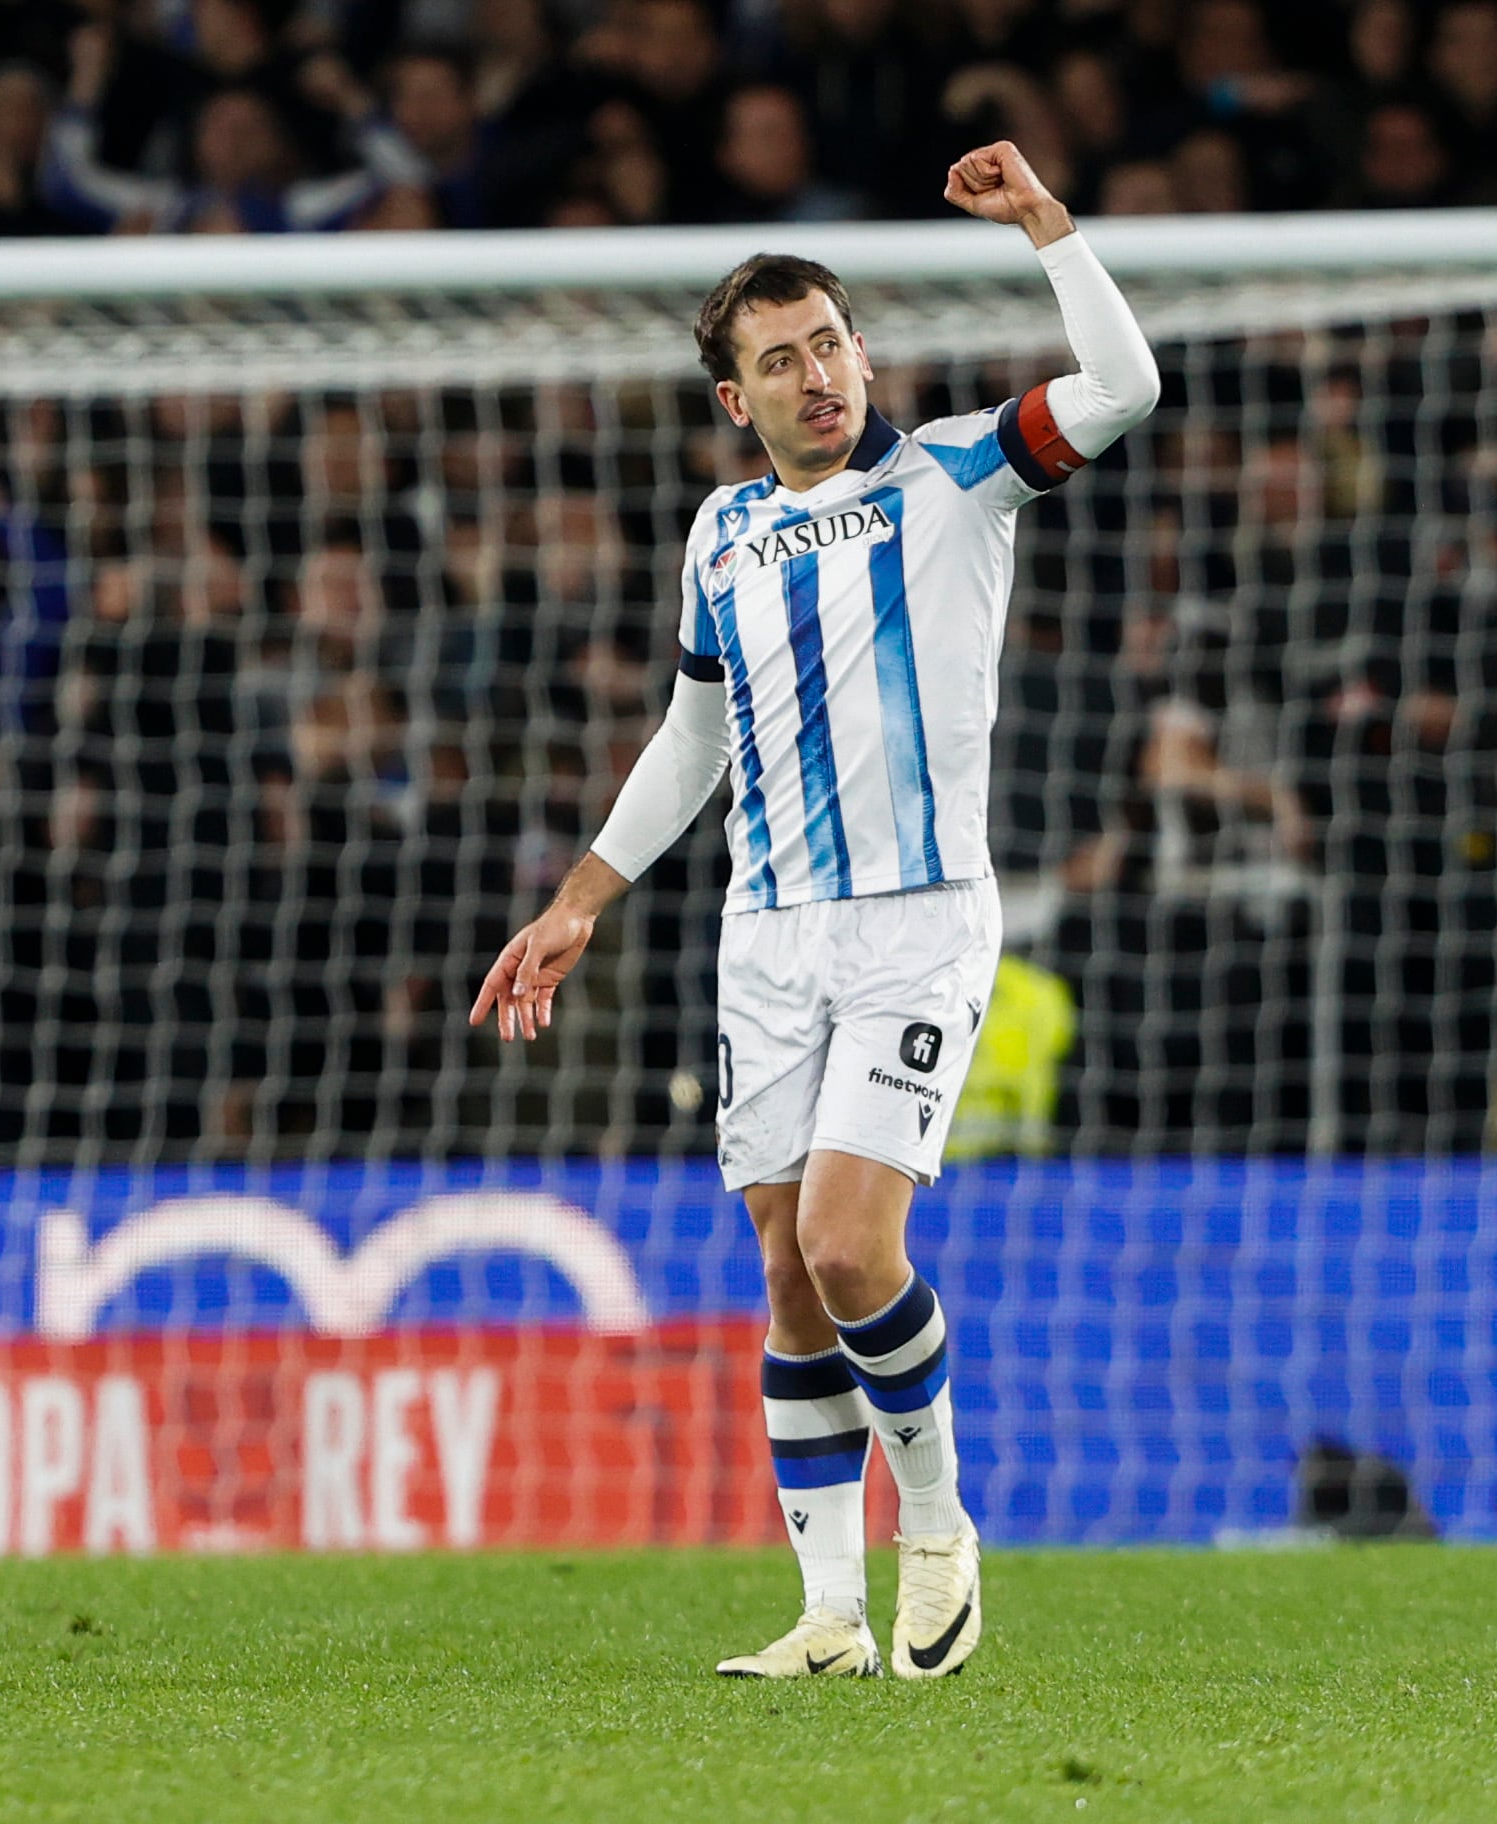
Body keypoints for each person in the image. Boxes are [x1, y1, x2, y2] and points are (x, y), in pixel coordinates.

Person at [469, 138, 1156, 1677]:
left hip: (918, 918)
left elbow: (1123, 389)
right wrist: (584, 897)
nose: (817, 376)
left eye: (832, 343)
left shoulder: (960, 472)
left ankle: (939, 1531)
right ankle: (829, 1617)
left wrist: (1049, 225)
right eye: (780, 361)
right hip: (766, 938)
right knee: (786, 1277)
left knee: (855, 1249)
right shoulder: (723, 536)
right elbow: (695, 735)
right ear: (739, 400)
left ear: (864, 352)